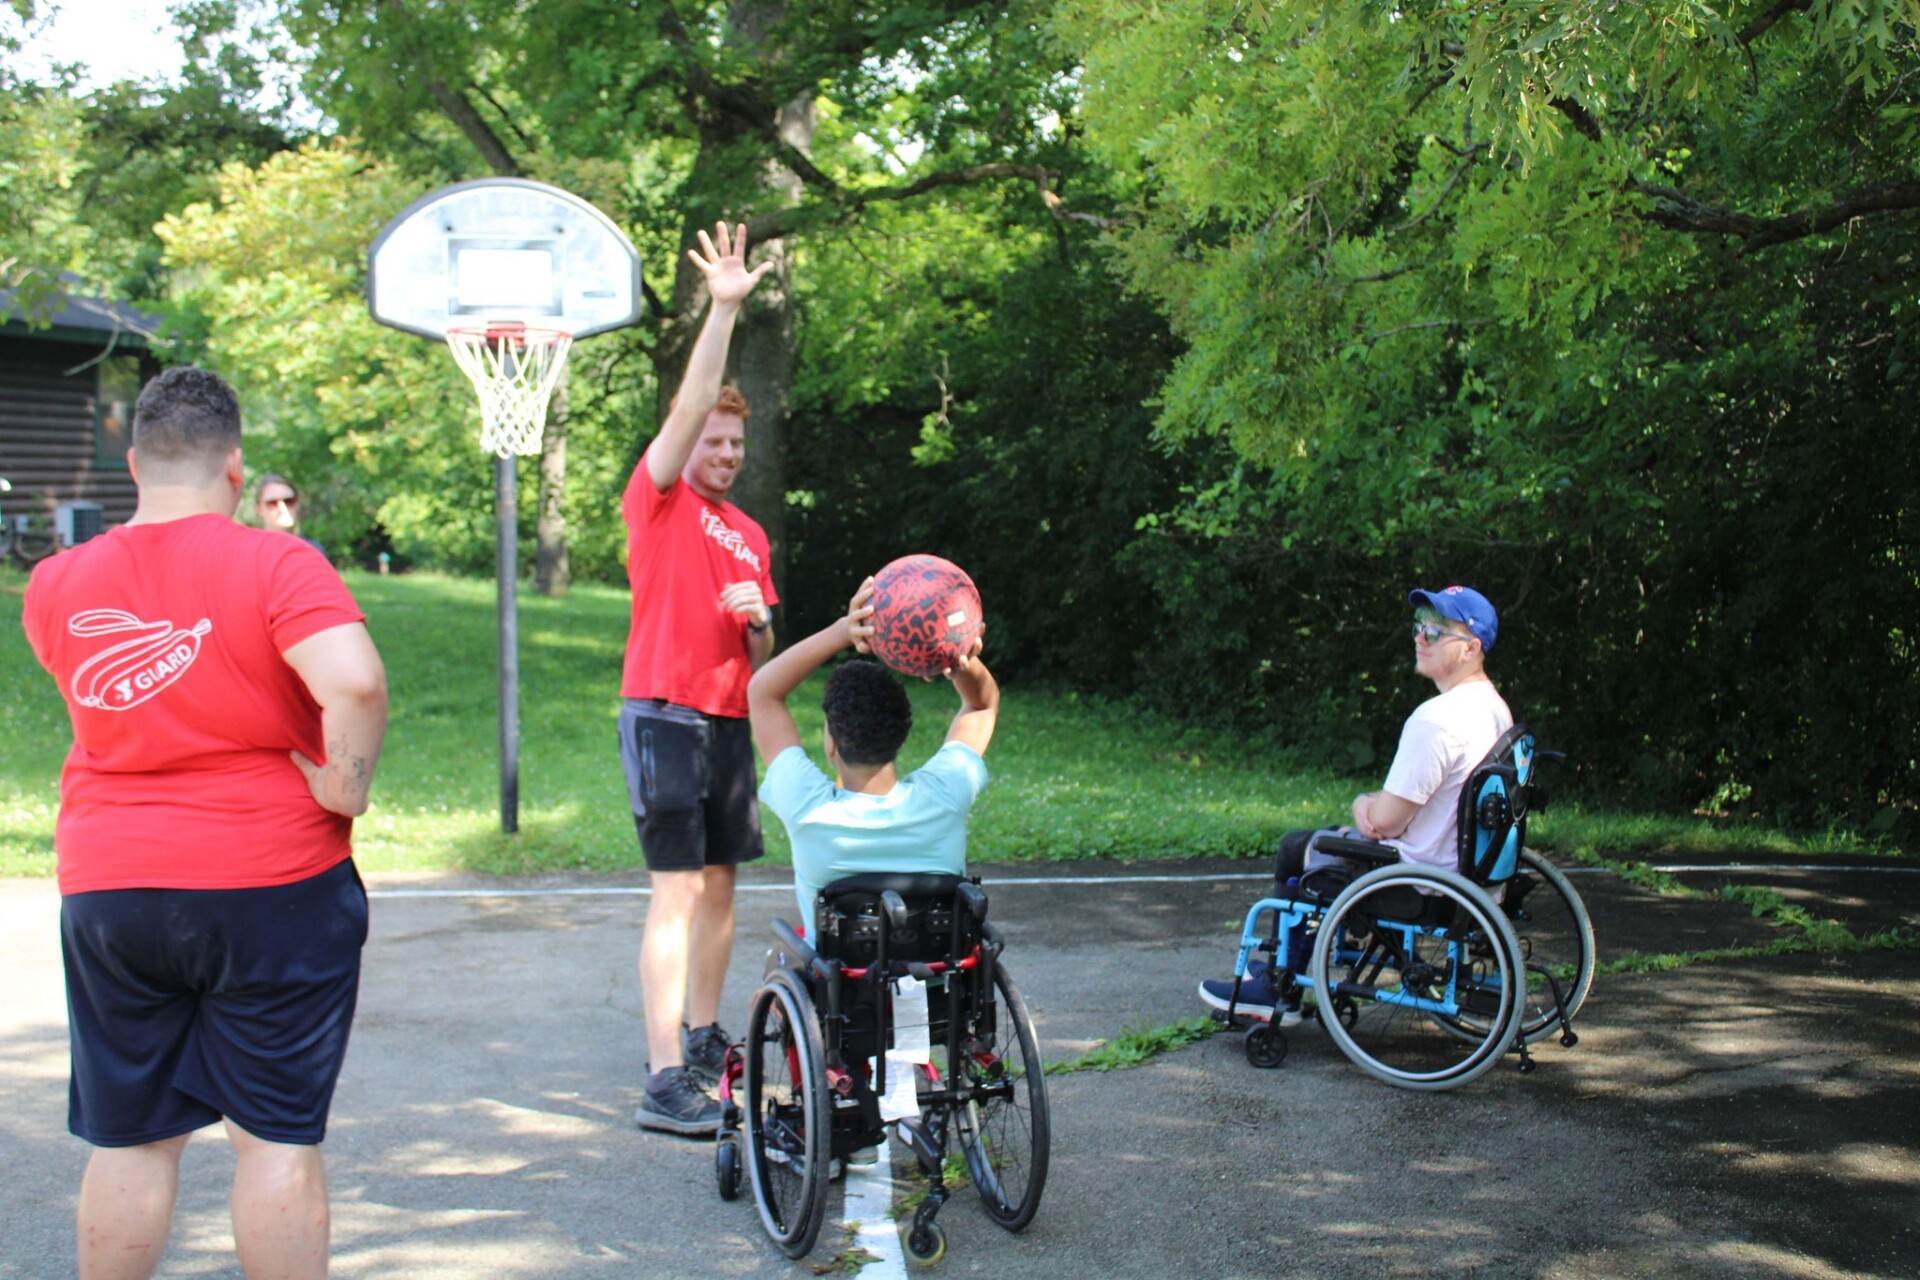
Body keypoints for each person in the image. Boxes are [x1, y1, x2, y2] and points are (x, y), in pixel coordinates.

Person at [21, 366, 388, 1280]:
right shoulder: (275, 559)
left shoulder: (57, 581)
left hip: (110, 887)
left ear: (136, 463)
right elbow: (355, 680)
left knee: (131, 1141)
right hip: (270, 883)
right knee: (271, 1140)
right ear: (234, 468)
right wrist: (343, 789)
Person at [620, 222, 778, 1136]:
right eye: (711, 441)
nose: (721, 454)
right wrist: (723, 309)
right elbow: (682, 414)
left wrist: (757, 630)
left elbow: (761, 666)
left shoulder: (750, 534)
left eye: (731, 445)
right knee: (674, 891)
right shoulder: (662, 497)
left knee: (721, 887)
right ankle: (661, 1076)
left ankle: (707, 1033)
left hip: (724, 722)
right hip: (662, 715)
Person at [1199, 585, 1511, 1027]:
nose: (1421, 637)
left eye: (1437, 632)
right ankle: (1280, 971)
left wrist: (1363, 803)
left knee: (1297, 849)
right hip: (1466, 874)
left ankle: (1275, 989)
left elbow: (1383, 822)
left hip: (1419, 880)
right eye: (1420, 626)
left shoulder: (1438, 720)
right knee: (1326, 842)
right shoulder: (1495, 710)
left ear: (1471, 648)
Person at [748, 577, 999, 927]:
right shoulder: (945, 796)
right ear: (900, 736)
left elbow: (762, 693)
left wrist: (842, 631)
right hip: (940, 977)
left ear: (832, 744)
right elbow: (980, 708)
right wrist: (957, 655)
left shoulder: (807, 809)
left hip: (841, 977)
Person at [254, 473, 328, 558]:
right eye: (273, 503)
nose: (283, 508)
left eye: (289, 501)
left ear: (298, 503)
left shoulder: (313, 550)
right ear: (259, 509)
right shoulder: (252, 552)